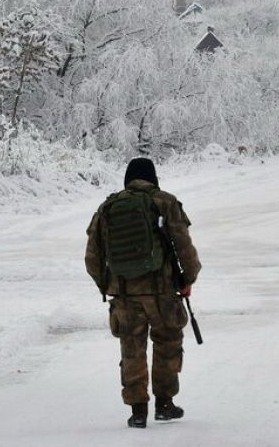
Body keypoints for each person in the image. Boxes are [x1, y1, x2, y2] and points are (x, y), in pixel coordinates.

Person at [85, 158, 202, 429]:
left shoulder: (107, 208)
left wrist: (108, 286)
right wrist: (188, 278)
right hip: (162, 292)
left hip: (124, 294)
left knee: (131, 348)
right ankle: (164, 404)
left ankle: (138, 411)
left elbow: (92, 258)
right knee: (167, 343)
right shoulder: (165, 202)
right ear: (153, 177)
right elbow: (184, 247)